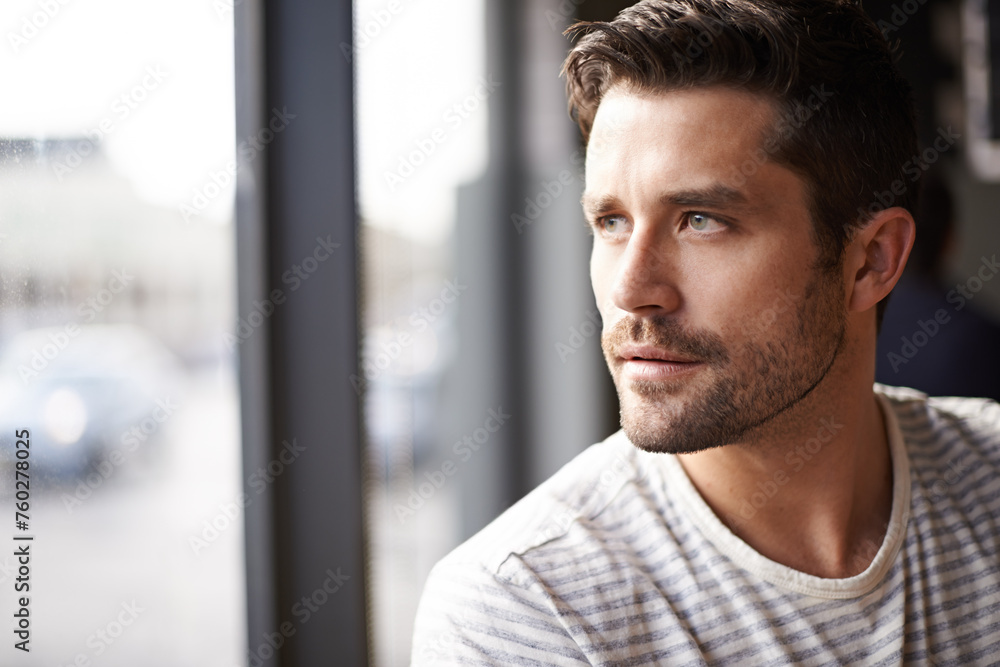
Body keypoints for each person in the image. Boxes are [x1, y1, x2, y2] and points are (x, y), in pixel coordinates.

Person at [411, 1, 1000, 663]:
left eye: (700, 220)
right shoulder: (526, 608)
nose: (630, 289)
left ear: (871, 260)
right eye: (611, 222)